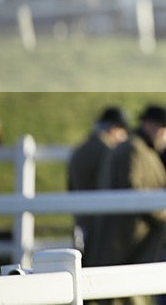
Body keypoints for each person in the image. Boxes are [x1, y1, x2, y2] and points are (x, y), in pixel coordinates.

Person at [90, 105, 166, 304]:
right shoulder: (134, 149)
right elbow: (133, 188)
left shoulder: (142, 148)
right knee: (120, 292)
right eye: (159, 126)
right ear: (147, 124)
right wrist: (161, 212)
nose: (162, 133)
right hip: (125, 237)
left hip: (133, 236)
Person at [67, 106, 130, 258]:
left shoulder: (79, 150)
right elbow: (105, 185)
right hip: (101, 221)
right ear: (115, 129)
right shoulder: (107, 151)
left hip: (81, 217)